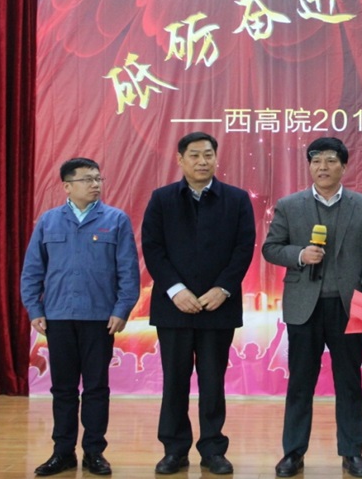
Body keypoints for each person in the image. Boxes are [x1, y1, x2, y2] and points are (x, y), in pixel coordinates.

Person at [262, 137, 362, 479]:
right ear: (309, 166)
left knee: (350, 382)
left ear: (344, 166)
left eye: (331, 161)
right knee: (300, 382)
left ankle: (352, 453)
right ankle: (293, 453)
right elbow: (271, 248)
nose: (323, 167)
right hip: (304, 305)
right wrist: (300, 255)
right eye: (316, 161)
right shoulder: (290, 205)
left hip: (352, 304)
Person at [142, 132, 256, 476]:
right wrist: (176, 290)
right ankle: (174, 450)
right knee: (174, 381)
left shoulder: (236, 199)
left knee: (212, 381)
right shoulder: (162, 199)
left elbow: (244, 248)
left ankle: (213, 449)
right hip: (173, 308)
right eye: (194, 155)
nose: (202, 161)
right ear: (180, 159)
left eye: (208, 154)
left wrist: (223, 288)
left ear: (216, 158)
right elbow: (153, 248)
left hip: (218, 307)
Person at [20, 158, 140, 477]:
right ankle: (62, 452)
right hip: (58, 317)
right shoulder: (48, 221)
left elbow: (128, 272)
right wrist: (35, 309)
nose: (95, 184)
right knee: (63, 389)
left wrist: (121, 310)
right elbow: (32, 270)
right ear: (67, 186)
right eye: (87, 179)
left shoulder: (115, 220)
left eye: (98, 178)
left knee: (97, 388)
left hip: (100, 319)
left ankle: (94, 452)